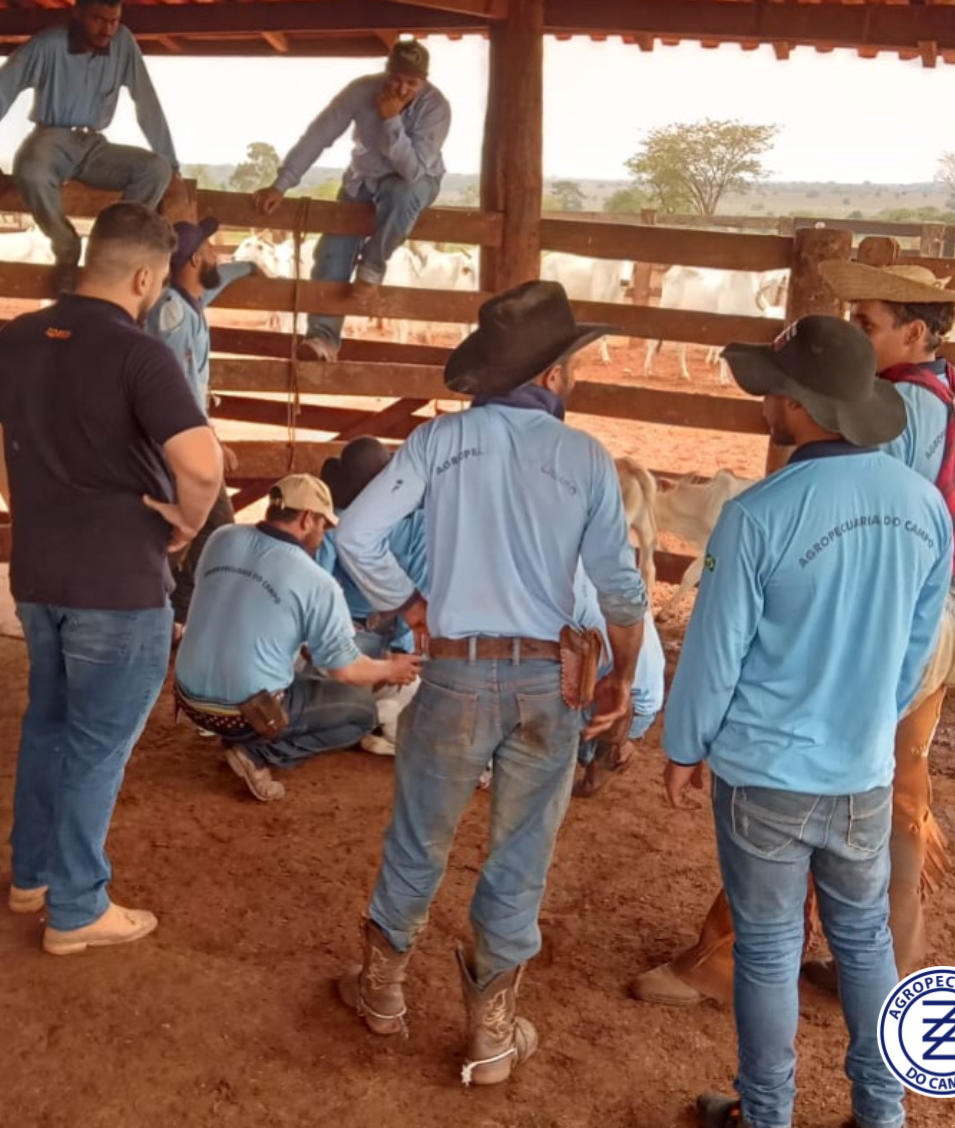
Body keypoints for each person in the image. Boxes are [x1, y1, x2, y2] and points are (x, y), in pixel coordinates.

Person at [631, 253, 955, 1010]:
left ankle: (728, 957)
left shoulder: (887, 412)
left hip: (871, 617)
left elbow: (841, 515)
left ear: (913, 333)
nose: (857, 334)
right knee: (897, 785)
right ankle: (893, 959)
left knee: (797, 770)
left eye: (867, 324)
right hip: (937, 615)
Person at [333, 280, 649, 1085]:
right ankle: (492, 1035)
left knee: (419, 836)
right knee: (521, 852)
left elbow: (358, 534)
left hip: (456, 675)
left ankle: (382, 995)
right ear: (552, 374)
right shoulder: (585, 457)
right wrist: (623, 674)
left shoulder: (439, 443)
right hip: (550, 679)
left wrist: (410, 604)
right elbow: (619, 588)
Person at [661, 315, 953, 1128]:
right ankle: (882, 1112)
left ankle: (767, 1115)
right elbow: (917, 644)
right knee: (864, 941)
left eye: (773, 390)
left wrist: (684, 745)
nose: (766, 402)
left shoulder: (757, 514)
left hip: (765, 775)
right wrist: (870, 718)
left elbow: (715, 652)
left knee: (767, 949)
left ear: (797, 403)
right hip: (861, 771)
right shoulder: (923, 506)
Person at [0, 202, 223, 956]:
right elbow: (203, 465)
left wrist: (45, 514)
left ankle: (31, 876)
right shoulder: (139, 355)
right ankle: (78, 906)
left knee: (48, 725)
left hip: (38, 572)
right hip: (117, 582)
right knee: (97, 745)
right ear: (146, 277)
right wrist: (186, 522)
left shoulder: (10, 341)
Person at [173, 474, 420, 804]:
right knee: (361, 712)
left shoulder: (222, 537)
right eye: (323, 524)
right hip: (247, 712)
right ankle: (257, 753)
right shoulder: (316, 581)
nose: (325, 533)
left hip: (188, 698)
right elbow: (345, 670)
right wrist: (391, 669)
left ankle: (239, 735)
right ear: (307, 518)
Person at [0, 0, 179, 289]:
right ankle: (66, 246)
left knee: (156, 170)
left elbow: (146, 101)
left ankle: (109, 247)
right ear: (77, 13)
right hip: (51, 139)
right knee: (31, 172)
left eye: (114, 21)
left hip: (95, 145)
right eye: (98, 20)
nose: (107, 29)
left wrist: (171, 161)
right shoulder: (48, 45)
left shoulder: (123, 43)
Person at [251, 39, 450, 361]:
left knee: (404, 195)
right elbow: (319, 135)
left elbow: (413, 171)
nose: (402, 89)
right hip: (363, 180)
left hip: (414, 182)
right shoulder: (360, 91)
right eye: (396, 79)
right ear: (386, 72)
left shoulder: (436, 108)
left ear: (424, 81)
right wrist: (281, 184)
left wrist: (391, 120)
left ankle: (372, 265)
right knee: (331, 254)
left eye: (412, 83)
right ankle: (322, 339)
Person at [145, 215, 269, 626]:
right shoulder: (173, 318)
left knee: (197, 528)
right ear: (195, 260)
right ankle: (171, 606)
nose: (217, 254)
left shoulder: (188, 300)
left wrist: (248, 266)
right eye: (210, 249)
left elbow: (219, 279)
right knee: (208, 529)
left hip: (183, 437)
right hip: (177, 440)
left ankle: (173, 609)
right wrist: (210, 441)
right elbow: (177, 389)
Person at [317, 437, 427, 754]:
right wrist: (401, 651)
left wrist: (401, 649)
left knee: (330, 675)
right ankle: (378, 715)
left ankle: (366, 714)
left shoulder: (337, 521)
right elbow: (419, 588)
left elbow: (319, 587)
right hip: (374, 631)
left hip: (369, 633)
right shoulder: (414, 523)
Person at [571, 568, 667, 796]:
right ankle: (611, 748)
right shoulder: (613, 567)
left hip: (619, 706)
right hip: (645, 701)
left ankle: (605, 749)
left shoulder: (558, 583)